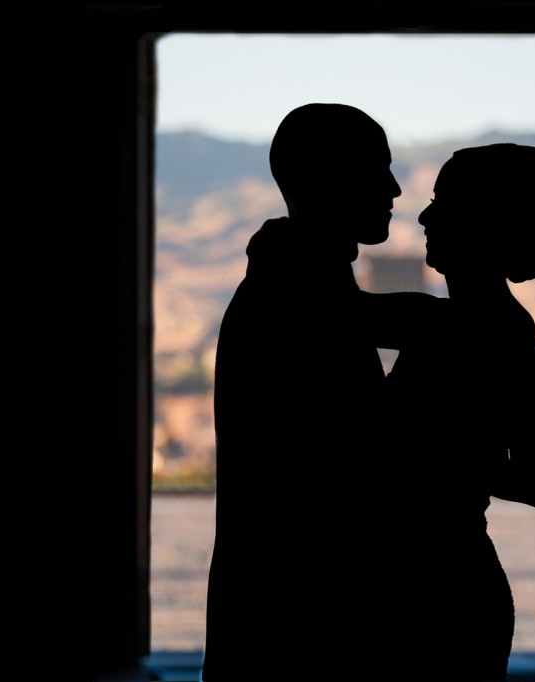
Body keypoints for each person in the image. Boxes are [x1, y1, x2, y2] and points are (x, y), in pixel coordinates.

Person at [202, 103, 402, 682]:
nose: (392, 188)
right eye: (377, 170)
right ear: (327, 179)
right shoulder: (300, 299)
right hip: (297, 617)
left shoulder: (300, 287)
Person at [381, 143, 535, 682]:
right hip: (449, 585)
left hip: (445, 596)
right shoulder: (482, 323)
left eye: (444, 202)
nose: (424, 215)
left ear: (485, 222)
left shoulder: (468, 325)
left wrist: (434, 459)